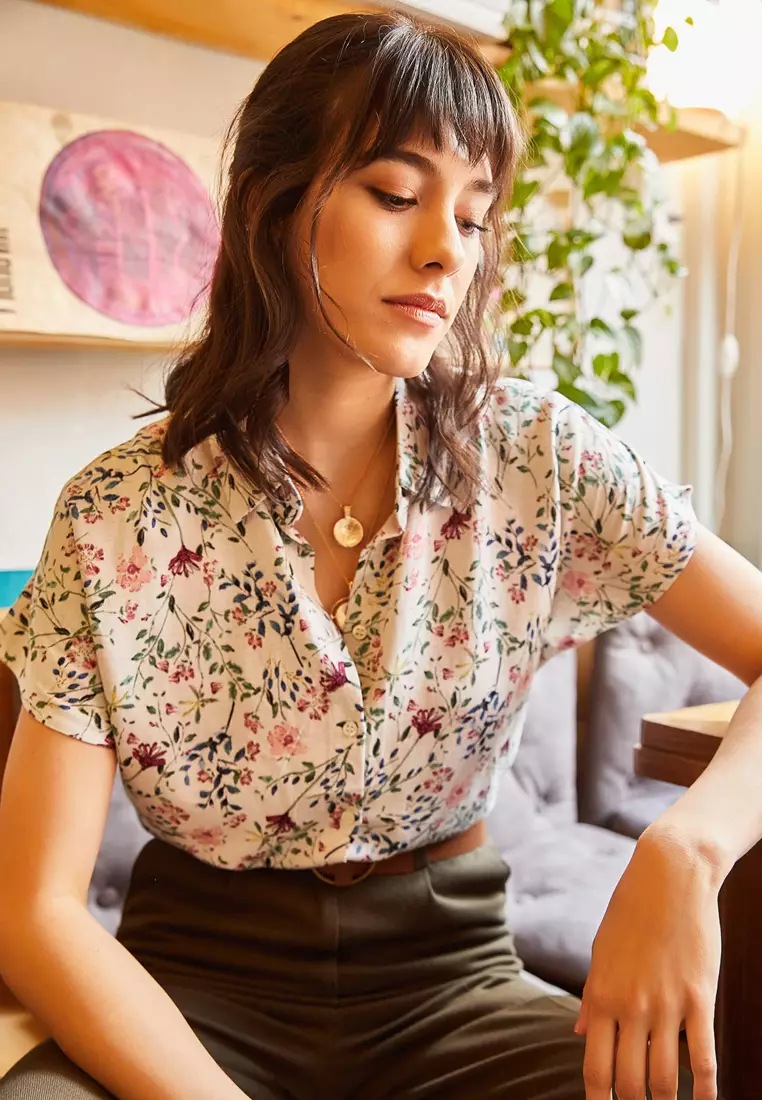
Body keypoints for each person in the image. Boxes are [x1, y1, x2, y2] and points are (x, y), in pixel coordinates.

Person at [0, 11, 760, 1100]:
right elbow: (34, 910)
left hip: (450, 977)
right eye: (398, 195)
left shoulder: (540, 453)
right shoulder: (115, 514)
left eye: (476, 214)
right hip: (190, 985)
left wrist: (689, 847)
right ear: (272, 199)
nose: (448, 248)